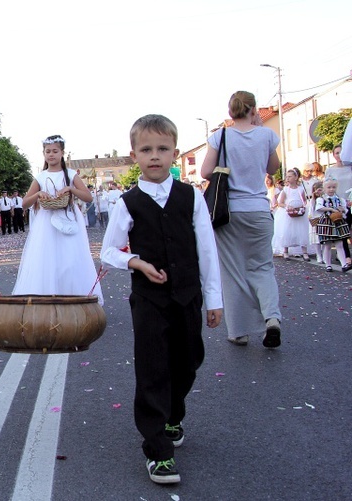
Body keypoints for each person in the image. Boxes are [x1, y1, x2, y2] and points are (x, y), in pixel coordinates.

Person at [101, 114, 222, 485]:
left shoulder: (191, 197)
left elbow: (206, 247)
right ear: (134, 155)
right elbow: (108, 251)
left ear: (174, 152)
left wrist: (213, 298)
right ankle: (157, 449)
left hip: (187, 295)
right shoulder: (128, 203)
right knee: (153, 369)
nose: (155, 156)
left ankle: (173, 414)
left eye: (163, 149)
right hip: (149, 300)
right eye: (147, 150)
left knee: (188, 362)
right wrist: (135, 261)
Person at [201, 90, 281, 348]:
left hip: (229, 212)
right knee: (263, 267)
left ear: (230, 111)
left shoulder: (220, 136)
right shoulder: (267, 135)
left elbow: (204, 172)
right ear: (254, 109)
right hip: (258, 208)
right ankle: (272, 318)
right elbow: (273, 168)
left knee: (233, 271)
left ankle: (239, 331)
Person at [12, 135, 102, 302]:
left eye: (55, 151)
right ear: (43, 154)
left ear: (62, 153)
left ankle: (73, 296)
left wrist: (70, 189)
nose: (51, 155)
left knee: (70, 258)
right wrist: (38, 194)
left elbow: (88, 197)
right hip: (46, 222)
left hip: (68, 218)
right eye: (48, 151)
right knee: (47, 258)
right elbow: (25, 203)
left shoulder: (71, 174)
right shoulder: (40, 177)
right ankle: (47, 296)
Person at [316, 178, 351, 272]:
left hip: (338, 221)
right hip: (327, 222)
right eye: (329, 187)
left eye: (333, 187)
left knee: (339, 244)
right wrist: (330, 209)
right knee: (327, 245)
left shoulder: (339, 199)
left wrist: (342, 210)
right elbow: (318, 208)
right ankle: (328, 264)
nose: (331, 189)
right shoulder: (322, 199)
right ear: (324, 188)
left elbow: (345, 210)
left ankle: (344, 264)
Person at [276, 167, 310, 260]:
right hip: (289, 213)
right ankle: (285, 251)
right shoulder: (286, 189)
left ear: (295, 177)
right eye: (287, 177)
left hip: (299, 212)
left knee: (301, 231)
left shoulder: (300, 189)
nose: (288, 178)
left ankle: (304, 251)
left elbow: (304, 201)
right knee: (287, 231)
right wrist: (287, 206)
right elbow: (280, 202)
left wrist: (303, 207)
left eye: (290, 176)